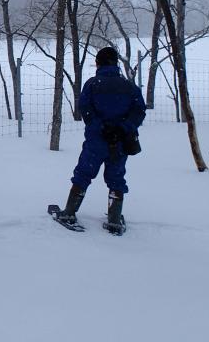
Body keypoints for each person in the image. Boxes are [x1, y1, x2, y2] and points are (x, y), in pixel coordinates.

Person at [56, 47, 146, 234]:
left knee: (83, 174)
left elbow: (85, 108)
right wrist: (122, 128)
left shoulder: (92, 84)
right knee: (116, 178)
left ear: (98, 63)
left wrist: (101, 127)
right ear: (116, 63)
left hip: (96, 142)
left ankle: (69, 212)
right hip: (120, 143)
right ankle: (114, 219)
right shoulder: (129, 87)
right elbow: (139, 112)